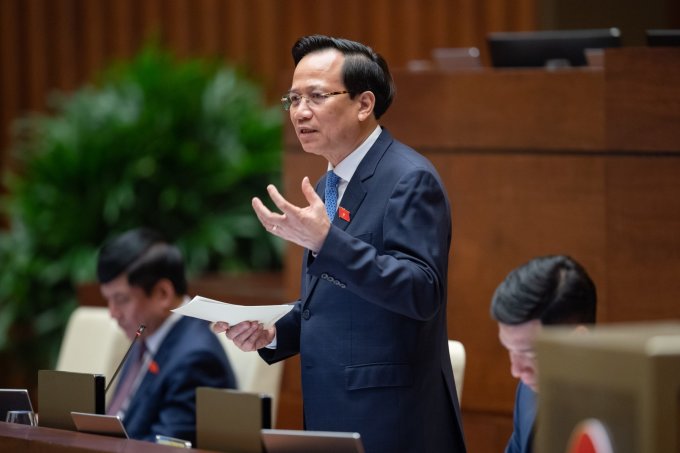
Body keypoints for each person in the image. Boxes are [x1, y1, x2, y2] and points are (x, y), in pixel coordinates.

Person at [214, 35, 466, 453]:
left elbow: (422, 291)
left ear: (364, 104)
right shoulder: (332, 183)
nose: (300, 112)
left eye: (316, 96)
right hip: (334, 413)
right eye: (292, 99)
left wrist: (327, 242)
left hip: (392, 421)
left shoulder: (407, 178)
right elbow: (335, 303)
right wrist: (273, 332)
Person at [97, 227, 236, 444]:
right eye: (109, 300)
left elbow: (165, 447)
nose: (112, 313)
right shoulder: (147, 333)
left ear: (163, 294)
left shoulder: (197, 359)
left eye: (121, 299)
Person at [490, 255, 597, 453]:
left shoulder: (622, 416)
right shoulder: (528, 392)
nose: (516, 370)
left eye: (529, 353)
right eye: (510, 350)